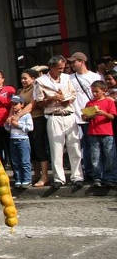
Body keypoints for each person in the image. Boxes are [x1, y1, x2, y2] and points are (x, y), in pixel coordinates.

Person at [34, 55, 83, 188]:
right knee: (56, 148)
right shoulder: (41, 81)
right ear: (51, 67)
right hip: (53, 115)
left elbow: (73, 94)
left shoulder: (68, 78)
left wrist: (66, 100)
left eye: (63, 68)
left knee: (74, 147)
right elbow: (39, 103)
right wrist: (51, 99)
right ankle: (58, 178)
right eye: (59, 68)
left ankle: (77, 176)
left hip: (69, 113)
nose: (62, 70)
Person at [68, 52, 102, 181]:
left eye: (74, 62)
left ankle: (95, 172)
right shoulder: (69, 78)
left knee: (93, 146)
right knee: (79, 147)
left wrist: (91, 113)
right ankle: (86, 171)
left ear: (81, 61)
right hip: (75, 116)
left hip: (91, 116)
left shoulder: (95, 77)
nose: (72, 65)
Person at [16, 69, 50, 186]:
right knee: (32, 149)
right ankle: (36, 174)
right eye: (22, 78)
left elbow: (31, 105)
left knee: (39, 147)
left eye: (26, 78)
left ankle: (45, 176)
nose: (23, 80)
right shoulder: (23, 91)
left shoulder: (36, 89)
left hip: (37, 120)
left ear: (33, 78)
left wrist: (18, 116)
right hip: (27, 121)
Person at [82, 80, 117, 187]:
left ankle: (110, 177)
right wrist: (87, 116)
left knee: (109, 156)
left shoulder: (109, 102)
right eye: (93, 92)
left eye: (97, 91)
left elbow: (112, 116)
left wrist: (103, 113)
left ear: (104, 91)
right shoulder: (90, 103)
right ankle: (97, 177)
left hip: (107, 132)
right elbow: (84, 117)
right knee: (95, 156)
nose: (94, 94)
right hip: (93, 132)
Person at [5, 95, 34, 188]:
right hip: (13, 139)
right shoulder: (12, 115)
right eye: (12, 104)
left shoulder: (26, 115)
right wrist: (7, 123)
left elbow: (30, 128)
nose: (14, 106)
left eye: (16, 104)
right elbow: (8, 129)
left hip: (23, 140)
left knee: (24, 160)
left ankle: (27, 179)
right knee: (15, 161)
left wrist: (17, 124)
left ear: (22, 104)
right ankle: (18, 179)